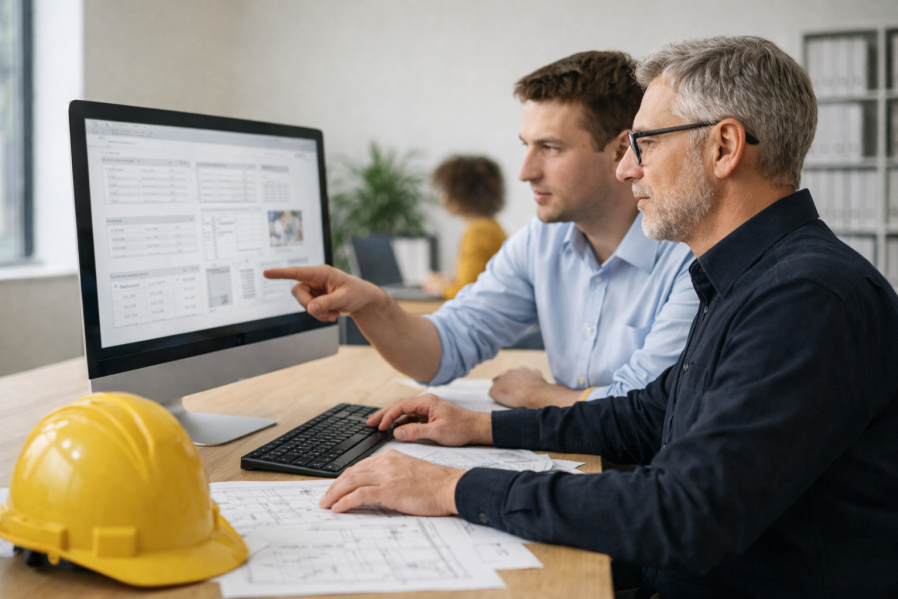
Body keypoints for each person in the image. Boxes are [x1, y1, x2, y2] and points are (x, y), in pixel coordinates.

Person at [318, 37, 898, 599]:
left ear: (723, 148)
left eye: (643, 143)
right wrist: (483, 429)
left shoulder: (805, 296)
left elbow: (685, 514)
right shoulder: (747, 277)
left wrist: (454, 487)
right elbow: (649, 416)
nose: (627, 170)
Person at [266, 51, 698, 409]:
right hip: (578, 458)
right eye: (526, 146)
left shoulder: (689, 252)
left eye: (550, 148)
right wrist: (374, 305)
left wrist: (541, 396)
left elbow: (648, 408)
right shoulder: (540, 241)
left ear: (623, 148)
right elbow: (443, 350)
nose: (525, 172)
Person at [422, 155, 507, 300]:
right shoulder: (491, 226)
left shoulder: (477, 232)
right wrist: (452, 282)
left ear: (459, 192)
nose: (442, 196)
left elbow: (468, 292)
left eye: (445, 189)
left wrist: (440, 287)